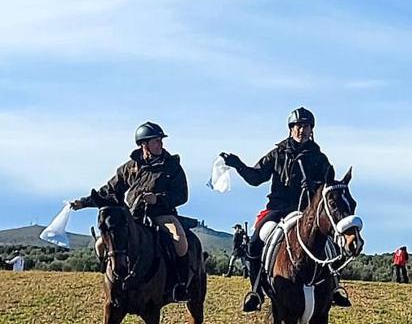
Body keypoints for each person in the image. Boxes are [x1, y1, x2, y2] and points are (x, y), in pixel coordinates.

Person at [220, 107, 351, 312]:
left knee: (332, 243)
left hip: (309, 212)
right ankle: (256, 292)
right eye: (298, 126)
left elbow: (329, 186)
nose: (302, 130)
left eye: (306, 126)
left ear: (311, 130)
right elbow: (255, 177)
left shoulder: (320, 158)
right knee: (255, 243)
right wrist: (237, 164)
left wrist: (316, 184)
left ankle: (334, 287)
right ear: (291, 129)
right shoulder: (278, 154)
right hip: (279, 210)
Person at [70, 122, 191, 301]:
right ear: (144, 145)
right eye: (156, 141)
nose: (161, 144)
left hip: (161, 214)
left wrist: (158, 199)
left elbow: (182, 195)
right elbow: (109, 191)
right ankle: (112, 282)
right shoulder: (130, 167)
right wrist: (84, 202)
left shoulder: (172, 166)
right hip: (133, 216)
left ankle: (180, 285)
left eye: (160, 140)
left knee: (179, 239)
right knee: (100, 245)